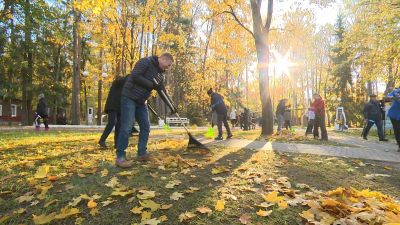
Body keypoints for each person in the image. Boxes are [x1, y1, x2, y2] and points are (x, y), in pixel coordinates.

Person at [115, 53, 177, 167]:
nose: (167, 68)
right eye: (167, 65)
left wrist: (171, 106)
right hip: (129, 97)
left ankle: (141, 153)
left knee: (145, 127)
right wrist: (152, 85)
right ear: (163, 58)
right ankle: (120, 158)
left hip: (141, 101)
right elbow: (135, 76)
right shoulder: (145, 62)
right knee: (127, 127)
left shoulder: (160, 74)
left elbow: (161, 90)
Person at [99, 75, 128, 149]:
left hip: (119, 106)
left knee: (119, 124)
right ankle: (102, 140)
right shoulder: (117, 83)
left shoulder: (124, 85)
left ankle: (117, 143)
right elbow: (121, 80)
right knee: (112, 122)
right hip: (112, 105)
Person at [386, 86, 400, 151]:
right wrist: (389, 98)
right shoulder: (396, 91)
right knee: (398, 130)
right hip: (394, 115)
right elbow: (387, 98)